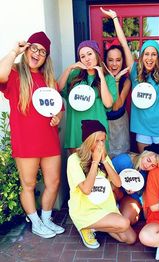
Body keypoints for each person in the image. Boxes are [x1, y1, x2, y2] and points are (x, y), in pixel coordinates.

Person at [0, 32, 65, 238]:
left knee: (53, 181)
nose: (37, 54)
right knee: (28, 184)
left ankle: (46, 219)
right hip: (26, 141)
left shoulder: (48, 80)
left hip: (49, 140)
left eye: (42, 51)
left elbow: (59, 107)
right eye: (34, 48)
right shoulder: (14, 74)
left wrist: (58, 117)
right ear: (27, 49)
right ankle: (35, 221)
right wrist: (14, 51)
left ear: (46, 57)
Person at [100, 7, 159, 153]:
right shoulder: (134, 71)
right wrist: (115, 18)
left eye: (154, 54)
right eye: (146, 54)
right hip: (142, 128)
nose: (150, 57)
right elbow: (123, 43)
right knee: (145, 163)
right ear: (142, 56)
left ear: (157, 57)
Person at [67, 119, 136, 249]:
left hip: (105, 208)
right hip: (85, 210)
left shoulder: (104, 156)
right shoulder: (74, 159)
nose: (100, 144)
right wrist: (95, 162)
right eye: (97, 140)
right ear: (88, 140)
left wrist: (104, 160)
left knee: (130, 238)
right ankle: (86, 226)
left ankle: (96, 226)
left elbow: (118, 183)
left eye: (103, 140)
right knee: (124, 223)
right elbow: (86, 190)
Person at [58, 40, 117, 153]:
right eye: (82, 56)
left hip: (97, 133)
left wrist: (101, 75)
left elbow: (108, 103)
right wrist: (70, 68)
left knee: (98, 167)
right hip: (76, 131)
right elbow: (58, 89)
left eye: (90, 54)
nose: (87, 58)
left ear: (97, 54)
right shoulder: (74, 76)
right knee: (77, 168)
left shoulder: (108, 78)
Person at [112, 151, 159, 225]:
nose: (147, 166)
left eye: (152, 165)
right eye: (148, 160)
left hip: (130, 197)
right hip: (114, 191)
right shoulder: (124, 160)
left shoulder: (148, 174)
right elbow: (105, 174)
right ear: (144, 154)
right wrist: (118, 184)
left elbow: (141, 194)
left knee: (127, 219)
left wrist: (134, 191)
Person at [104, 42, 131, 157]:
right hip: (104, 124)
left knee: (121, 158)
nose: (114, 64)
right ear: (105, 61)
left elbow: (116, 106)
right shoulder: (100, 79)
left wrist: (116, 81)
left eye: (118, 60)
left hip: (120, 124)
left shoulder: (126, 81)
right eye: (110, 60)